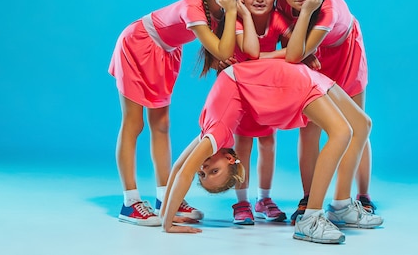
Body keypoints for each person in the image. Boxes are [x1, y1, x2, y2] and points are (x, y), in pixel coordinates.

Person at [160, 59, 377, 244]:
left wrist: (166, 221)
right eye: (211, 173)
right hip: (286, 82)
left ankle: (332, 210)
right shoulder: (216, 134)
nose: (203, 168)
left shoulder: (214, 133)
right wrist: (166, 219)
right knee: (350, 129)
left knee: (356, 127)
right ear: (229, 158)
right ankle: (316, 215)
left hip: (286, 75)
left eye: (204, 174)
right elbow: (182, 168)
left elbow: (183, 170)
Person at [108, 0, 242, 226]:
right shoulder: (194, 7)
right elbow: (221, 48)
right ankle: (130, 202)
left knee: (162, 125)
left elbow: (227, 52)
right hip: (138, 43)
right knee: (134, 123)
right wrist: (230, 12)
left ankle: (164, 195)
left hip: (166, 51)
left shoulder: (225, 8)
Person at [274, 0, 382, 226]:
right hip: (312, 55)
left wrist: (304, 43)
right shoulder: (279, 6)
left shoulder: (329, 10)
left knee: (357, 124)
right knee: (309, 128)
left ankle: (362, 195)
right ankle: (309, 197)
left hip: (345, 53)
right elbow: (290, 39)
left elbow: (295, 53)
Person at [227, 0, 291, 224]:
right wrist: (274, 57)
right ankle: (241, 201)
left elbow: (295, 48)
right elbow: (249, 52)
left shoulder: (277, 19)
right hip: (241, 89)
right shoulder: (240, 21)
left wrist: (267, 58)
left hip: (267, 88)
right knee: (242, 145)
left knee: (268, 143)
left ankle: (264, 198)